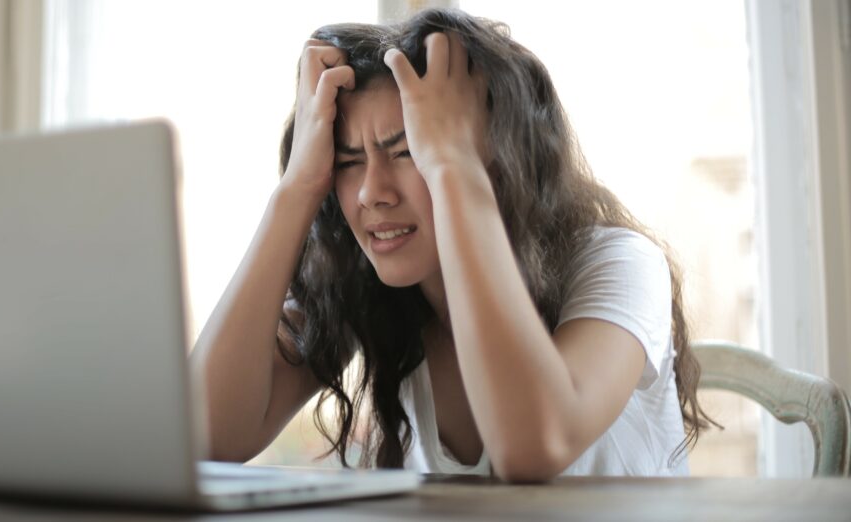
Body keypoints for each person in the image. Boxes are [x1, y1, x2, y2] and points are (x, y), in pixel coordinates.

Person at [191, 8, 715, 481]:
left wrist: (452, 167)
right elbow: (205, 437)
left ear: (497, 157)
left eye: (409, 152)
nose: (372, 192)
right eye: (348, 162)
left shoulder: (620, 263)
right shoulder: (371, 290)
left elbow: (534, 446)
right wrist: (297, 188)